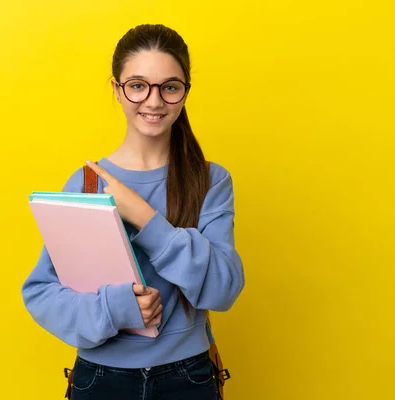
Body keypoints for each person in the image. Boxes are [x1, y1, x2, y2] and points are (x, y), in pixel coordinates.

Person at [21, 23, 245, 400]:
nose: (154, 102)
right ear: (117, 89)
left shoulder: (210, 180)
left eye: (169, 87)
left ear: (185, 92)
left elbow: (223, 290)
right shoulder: (86, 184)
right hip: (101, 380)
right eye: (138, 85)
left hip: (188, 377)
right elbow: (41, 293)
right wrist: (116, 309)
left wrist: (143, 216)